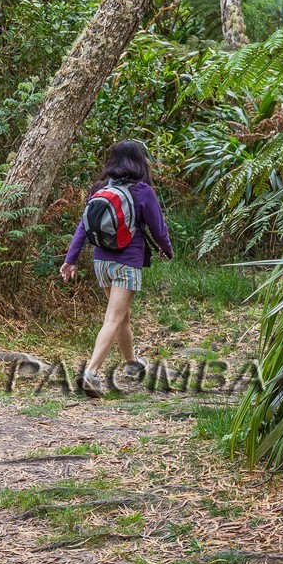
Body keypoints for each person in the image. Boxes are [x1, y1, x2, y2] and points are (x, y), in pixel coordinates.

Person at [60, 140, 174, 397]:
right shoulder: (143, 191)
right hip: (127, 263)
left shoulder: (100, 188)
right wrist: (166, 248)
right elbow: (158, 228)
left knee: (122, 315)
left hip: (101, 262)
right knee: (113, 318)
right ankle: (91, 373)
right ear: (140, 162)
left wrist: (71, 259)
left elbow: (83, 226)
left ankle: (132, 364)